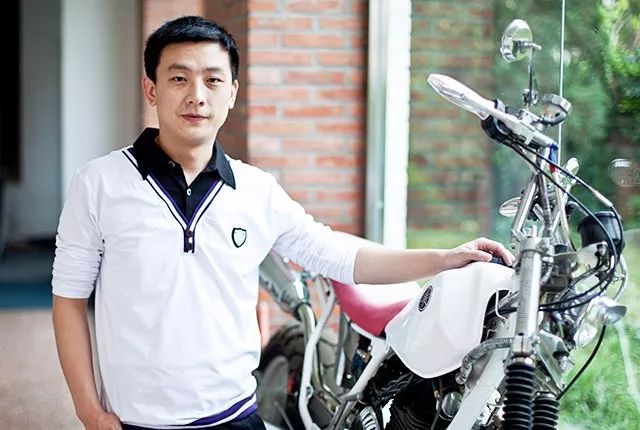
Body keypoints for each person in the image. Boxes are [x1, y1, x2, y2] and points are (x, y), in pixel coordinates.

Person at [51, 16, 514, 430]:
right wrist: (89, 411)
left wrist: (444, 259)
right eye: (178, 78)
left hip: (235, 416)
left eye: (213, 80)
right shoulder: (99, 183)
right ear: (151, 89)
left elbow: (340, 256)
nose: (197, 95)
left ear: (232, 93)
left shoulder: (256, 191)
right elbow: (69, 299)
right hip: (136, 422)